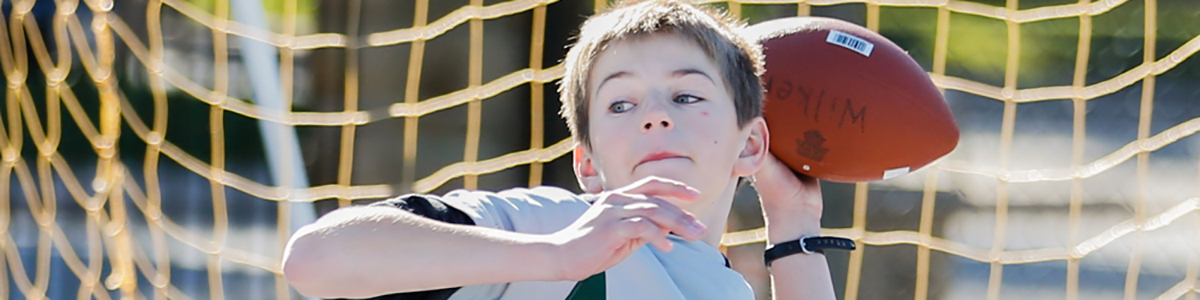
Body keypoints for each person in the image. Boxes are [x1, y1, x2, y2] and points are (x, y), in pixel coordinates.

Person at [281, 0, 843, 299]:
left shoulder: (726, 291)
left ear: (750, 144)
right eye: (621, 104)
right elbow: (314, 261)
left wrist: (794, 222)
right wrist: (555, 256)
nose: (656, 115)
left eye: (687, 94)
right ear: (588, 165)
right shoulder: (551, 224)